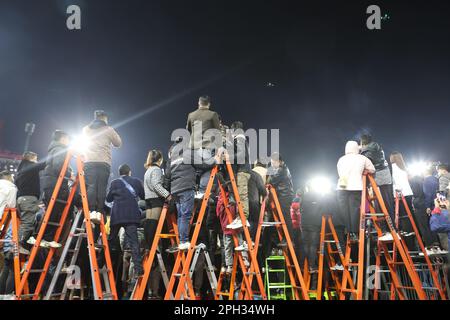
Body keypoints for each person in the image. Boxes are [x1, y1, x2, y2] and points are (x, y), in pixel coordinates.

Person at [32, 130, 71, 248]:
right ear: (63, 138)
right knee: (54, 212)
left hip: (50, 183)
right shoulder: (60, 149)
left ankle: (39, 236)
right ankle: (45, 237)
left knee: (50, 211)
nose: (69, 142)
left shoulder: (53, 149)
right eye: (68, 139)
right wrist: (70, 174)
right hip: (56, 184)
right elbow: (58, 166)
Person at [106, 164, 145, 279]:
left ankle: (100, 262)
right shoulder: (136, 181)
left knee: (110, 240)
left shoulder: (114, 183)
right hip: (131, 216)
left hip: (117, 216)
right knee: (134, 243)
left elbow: (108, 199)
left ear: (120, 173)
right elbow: (143, 196)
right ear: (130, 172)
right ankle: (138, 270)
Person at [83, 110, 122, 222]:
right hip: (103, 162)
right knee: (101, 187)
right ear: (104, 118)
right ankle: (98, 212)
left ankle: (90, 211)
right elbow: (118, 143)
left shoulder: (86, 129)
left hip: (89, 161)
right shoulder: (108, 129)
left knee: (91, 186)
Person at [336, 141, 375, 241]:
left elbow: (339, 172)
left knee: (344, 210)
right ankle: (354, 232)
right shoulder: (362, 158)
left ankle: (348, 230)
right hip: (356, 186)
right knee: (354, 210)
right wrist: (365, 171)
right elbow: (372, 169)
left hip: (342, 187)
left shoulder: (341, 159)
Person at [164, 138, 196, 251]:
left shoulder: (172, 155)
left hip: (175, 189)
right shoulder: (187, 150)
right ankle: (183, 240)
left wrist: (167, 192)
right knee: (186, 215)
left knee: (181, 216)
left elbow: (167, 175)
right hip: (186, 186)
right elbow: (200, 164)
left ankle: (181, 240)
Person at [186, 96, 221, 194]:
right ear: (209, 104)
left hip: (192, 149)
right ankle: (202, 194)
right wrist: (218, 150)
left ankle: (193, 194)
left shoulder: (191, 115)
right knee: (207, 169)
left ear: (199, 103)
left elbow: (188, 131)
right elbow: (218, 133)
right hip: (206, 148)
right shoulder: (213, 114)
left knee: (194, 172)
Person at [15, 151, 46, 251]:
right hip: (28, 198)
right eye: (36, 159)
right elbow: (44, 164)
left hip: (21, 199)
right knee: (27, 223)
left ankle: (22, 244)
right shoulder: (29, 165)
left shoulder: (20, 169)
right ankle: (19, 245)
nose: (36, 161)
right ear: (32, 158)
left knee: (28, 222)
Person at [360, 134, 395, 221]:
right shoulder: (378, 146)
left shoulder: (365, 151)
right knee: (388, 201)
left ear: (362, 142)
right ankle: (393, 225)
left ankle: (384, 226)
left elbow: (367, 165)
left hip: (376, 176)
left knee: (379, 202)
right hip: (386, 173)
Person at [226, 121, 252, 232]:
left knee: (242, 195)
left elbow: (241, 155)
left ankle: (243, 217)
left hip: (243, 171)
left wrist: (228, 157)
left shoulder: (240, 139)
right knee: (240, 195)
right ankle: (240, 216)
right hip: (243, 170)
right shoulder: (241, 140)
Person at [143, 150, 172, 250]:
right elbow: (156, 185)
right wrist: (167, 195)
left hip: (148, 199)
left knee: (149, 222)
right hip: (156, 199)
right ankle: (150, 247)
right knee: (153, 224)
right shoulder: (156, 169)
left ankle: (147, 246)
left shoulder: (148, 170)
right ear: (160, 159)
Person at [266, 152, 296, 247]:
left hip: (285, 196)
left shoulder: (281, 170)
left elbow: (272, 181)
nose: (272, 165)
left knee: (285, 217)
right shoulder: (283, 169)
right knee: (282, 217)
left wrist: (268, 172)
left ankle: (289, 239)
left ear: (278, 161)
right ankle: (285, 238)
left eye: (273, 163)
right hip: (284, 195)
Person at [390, 152, 415, 237]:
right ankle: (411, 229)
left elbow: (396, 181)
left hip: (400, 193)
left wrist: (398, 192)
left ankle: (406, 229)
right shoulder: (403, 167)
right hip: (408, 192)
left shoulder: (393, 167)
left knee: (402, 213)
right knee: (409, 212)